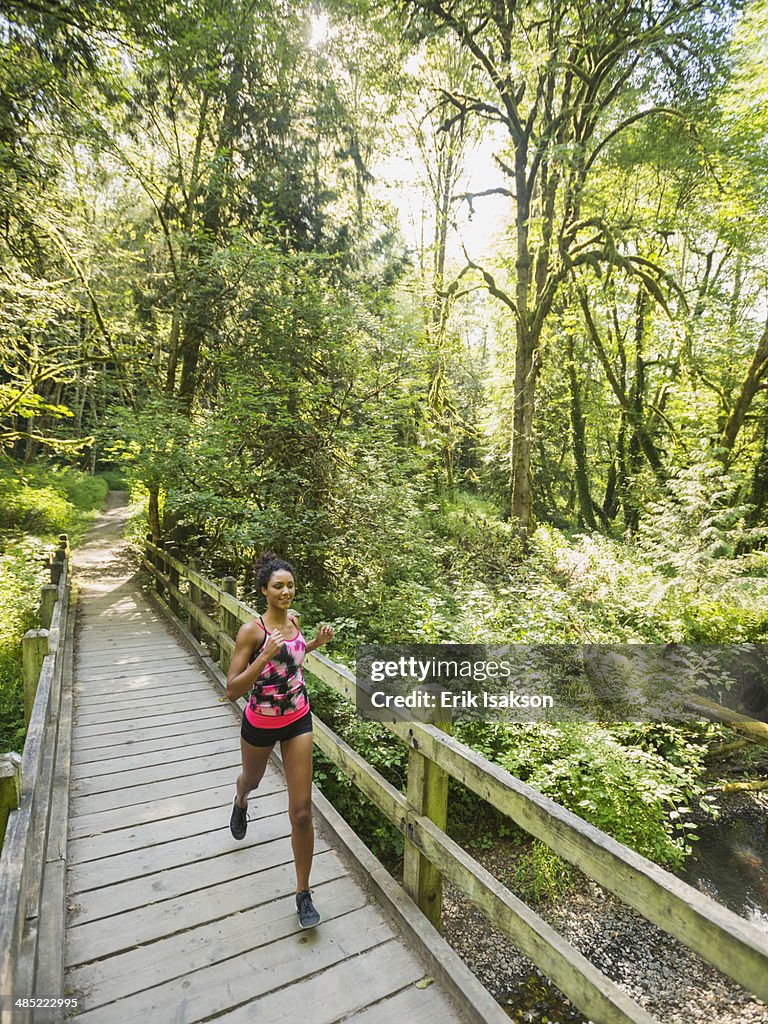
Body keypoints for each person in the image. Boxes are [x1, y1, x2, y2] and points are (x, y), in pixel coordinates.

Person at [225, 551, 334, 929]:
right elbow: (232, 690)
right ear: (263, 591)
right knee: (251, 779)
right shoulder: (252, 632)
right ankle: (241, 799)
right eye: (278, 586)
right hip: (260, 722)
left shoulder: (296, 622)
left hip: (297, 719)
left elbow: (291, 661)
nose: (286, 592)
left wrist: (315, 643)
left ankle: (303, 893)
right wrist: (262, 656)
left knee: (302, 811)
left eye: (289, 585)